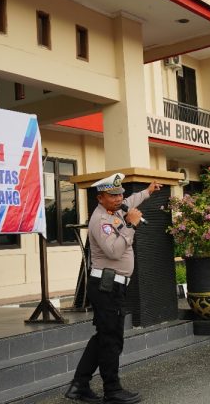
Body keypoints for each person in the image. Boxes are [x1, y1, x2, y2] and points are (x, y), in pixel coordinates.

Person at [65, 173, 161, 404]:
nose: (119, 199)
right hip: (106, 286)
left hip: (114, 285)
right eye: (113, 195)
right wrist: (130, 225)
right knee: (111, 340)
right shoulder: (100, 221)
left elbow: (132, 200)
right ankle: (112, 390)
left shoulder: (115, 209)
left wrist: (148, 191)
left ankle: (79, 385)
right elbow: (114, 251)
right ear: (100, 198)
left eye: (120, 194)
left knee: (104, 338)